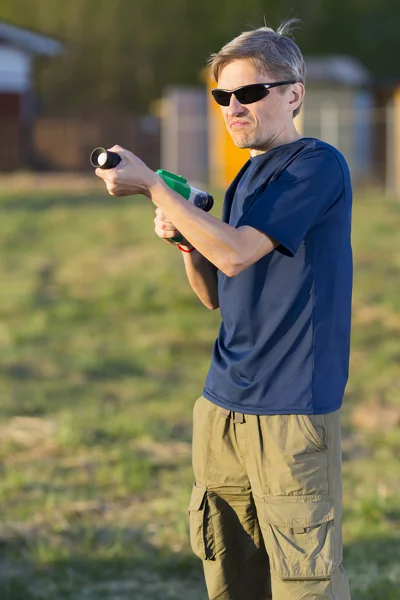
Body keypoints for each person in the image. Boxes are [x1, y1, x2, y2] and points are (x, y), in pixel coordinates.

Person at [95, 18, 353, 600]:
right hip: (222, 409)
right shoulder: (244, 180)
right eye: (223, 96)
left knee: (304, 585)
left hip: (290, 413)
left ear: (294, 94)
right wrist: (186, 241)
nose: (233, 107)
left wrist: (155, 188)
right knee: (231, 581)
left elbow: (236, 254)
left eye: (250, 92)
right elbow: (217, 292)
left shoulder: (316, 164)